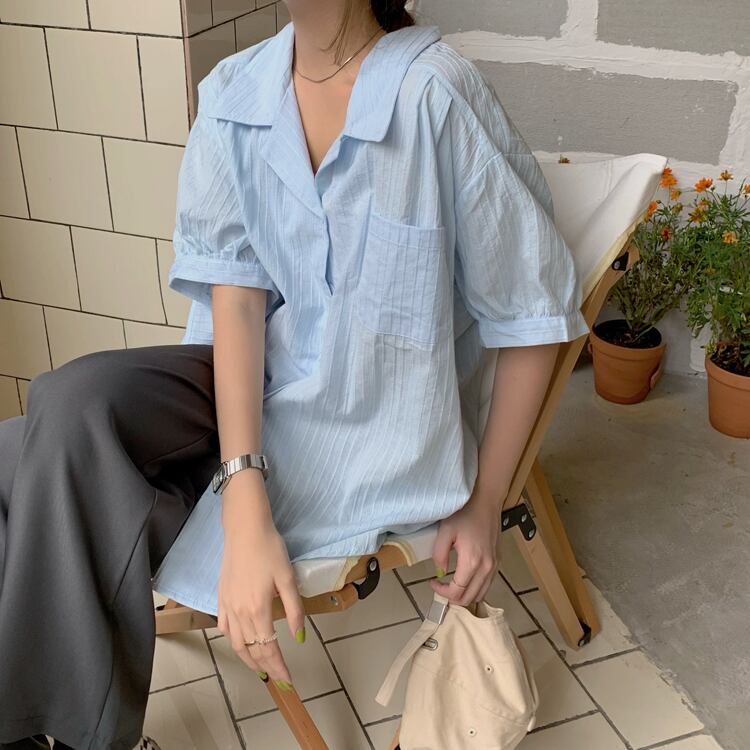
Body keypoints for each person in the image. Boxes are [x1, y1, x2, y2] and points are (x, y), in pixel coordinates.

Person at [0, 0, 590, 747]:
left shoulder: (433, 96)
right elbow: (238, 305)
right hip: (248, 389)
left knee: (32, 465)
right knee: (62, 402)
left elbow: (532, 315)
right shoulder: (235, 93)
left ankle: (53, 736)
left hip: (369, 434)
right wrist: (245, 504)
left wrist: (486, 503)